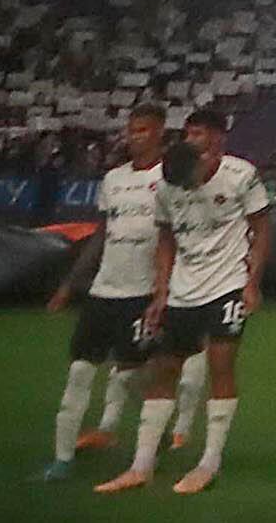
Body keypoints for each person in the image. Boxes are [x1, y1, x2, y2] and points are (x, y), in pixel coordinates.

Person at [96, 109, 274, 495]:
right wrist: (160, 292)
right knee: (163, 370)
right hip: (183, 290)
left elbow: (261, 229)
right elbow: (165, 239)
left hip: (226, 284)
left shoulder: (241, 175)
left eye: (199, 132)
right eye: (189, 132)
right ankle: (141, 465)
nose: (193, 137)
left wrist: (252, 283)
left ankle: (209, 462)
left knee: (220, 365)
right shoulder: (168, 180)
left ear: (214, 142)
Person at [43, 106, 172, 480]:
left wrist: (165, 290)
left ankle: (155, 428)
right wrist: (70, 284)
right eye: (132, 130)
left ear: (160, 132)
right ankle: (62, 459)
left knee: (130, 375)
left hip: (142, 293)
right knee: (79, 372)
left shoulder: (170, 179)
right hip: (103, 293)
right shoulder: (113, 179)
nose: (135, 136)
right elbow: (101, 234)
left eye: (144, 130)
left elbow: (173, 237)